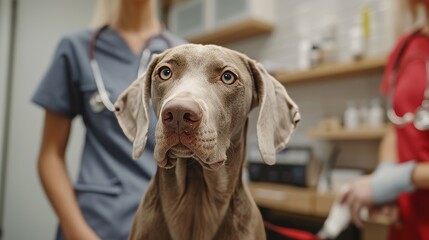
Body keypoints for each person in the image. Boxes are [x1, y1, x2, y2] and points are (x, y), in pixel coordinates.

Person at [32, 0, 185, 239]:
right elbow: (50, 155)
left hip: (164, 222)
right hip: (92, 222)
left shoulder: (183, 54)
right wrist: (78, 233)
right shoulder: (76, 48)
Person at [341, 0, 429, 239]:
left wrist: (400, 178)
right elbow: (396, 128)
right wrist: (386, 176)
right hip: (406, 222)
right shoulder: (405, 48)